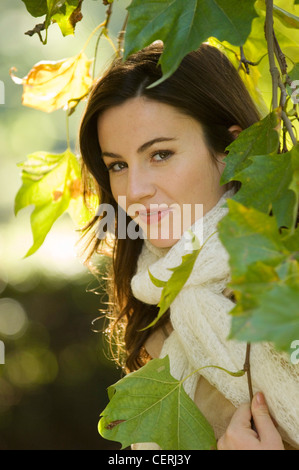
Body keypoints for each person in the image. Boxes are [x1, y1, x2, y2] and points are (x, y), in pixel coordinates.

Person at [79, 42, 299, 450]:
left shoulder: (289, 272)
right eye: (118, 165)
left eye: (160, 154)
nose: (135, 190)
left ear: (231, 151)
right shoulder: (155, 303)